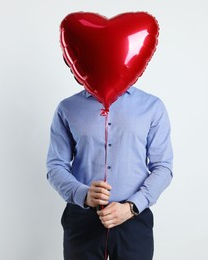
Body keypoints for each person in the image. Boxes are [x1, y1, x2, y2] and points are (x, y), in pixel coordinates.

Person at [46, 86, 173, 260]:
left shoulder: (152, 106)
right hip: (82, 220)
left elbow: (163, 166)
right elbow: (55, 166)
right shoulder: (68, 108)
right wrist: (83, 194)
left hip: (133, 220)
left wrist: (132, 207)